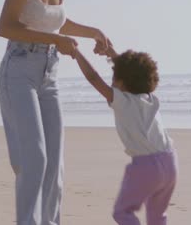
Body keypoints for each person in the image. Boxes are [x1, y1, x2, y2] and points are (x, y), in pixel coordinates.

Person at [0, 0, 111, 225]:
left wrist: (93, 32)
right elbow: (6, 27)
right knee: (34, 161)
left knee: (55, 168)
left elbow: (56, 22)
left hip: (49, 77)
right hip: (19, 71)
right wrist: (55, 40)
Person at [73, 46, 177, 225]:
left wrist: (76, 53)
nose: (111, 82)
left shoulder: (122, 101)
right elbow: (133, 72)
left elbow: (93, 78)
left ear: (122, 82)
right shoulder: (150, 99)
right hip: (170, 162)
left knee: (123, 212)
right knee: (157, 217)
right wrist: (113, 55)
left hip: (146, 166)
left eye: (114, 78)